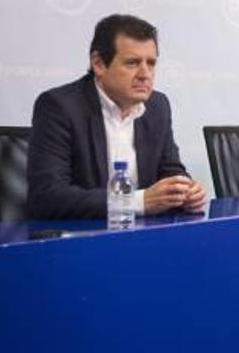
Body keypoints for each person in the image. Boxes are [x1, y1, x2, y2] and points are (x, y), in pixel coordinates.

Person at [27, 14, 206, 219]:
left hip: (144, 234)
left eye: (151, 63)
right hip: (85, 238)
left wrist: (185, 190)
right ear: (99, 64)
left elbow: (171, 169)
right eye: (132, 63)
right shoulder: (60, 107)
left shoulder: (158, 106)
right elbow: (47, 197)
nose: (145, 74)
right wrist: (136, 201)